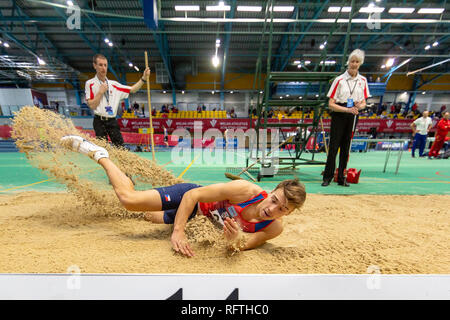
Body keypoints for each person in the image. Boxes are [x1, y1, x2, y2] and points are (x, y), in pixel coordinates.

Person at [59, 135, 306, 257]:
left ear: (289, 213)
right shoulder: (245, 191)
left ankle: (128, 182)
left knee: (148, 217)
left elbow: (245, 245)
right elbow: (194, 195)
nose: (273, 209)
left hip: (197, 218)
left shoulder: (274, 228)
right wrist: (178, 231)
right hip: (190, 199)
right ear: (271, 191)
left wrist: (235, 239)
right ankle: (99, 154)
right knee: (129, 201)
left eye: (282, 209)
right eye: (275, 200)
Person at [322, 49, 370, 187]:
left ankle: (342, 176)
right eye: (352, 61)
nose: (354, 64)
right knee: (333, 147)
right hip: (339, 114)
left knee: (346, 147)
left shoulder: (363, 81)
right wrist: (346, 109)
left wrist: (358, 107)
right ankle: (328, 176)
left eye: (357, 62)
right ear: (348, 63)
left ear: (360, 63)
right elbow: (331, 104)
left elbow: (364, 102)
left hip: (353, 114)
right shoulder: (339, 80)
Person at [85, 54, 150, 147]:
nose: (103, 68)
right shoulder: (90, 84)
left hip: (112, 121)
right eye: (100, 65)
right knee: (102, 151)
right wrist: (100, 92)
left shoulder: (114, 85)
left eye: (105, 65)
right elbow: (92, 105)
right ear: (94, 65)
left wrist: (143, 78)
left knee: (120, 149)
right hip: (99, 121)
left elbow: (132, 89)